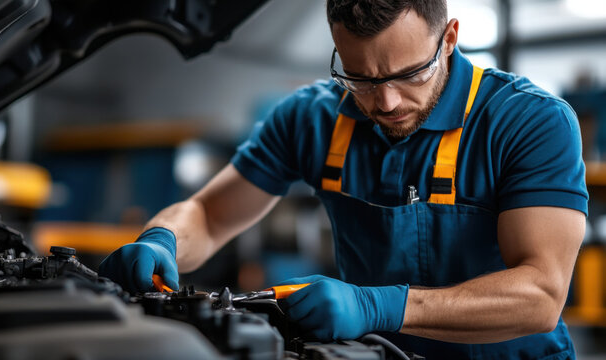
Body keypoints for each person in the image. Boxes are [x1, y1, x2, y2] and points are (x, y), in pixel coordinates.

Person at [99, 1, 587, 358]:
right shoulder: (310, 119)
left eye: (410, 74)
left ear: (451, 38)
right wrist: (164, 238)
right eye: (362, 79)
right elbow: (208, 214)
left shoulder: (529, 121)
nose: (387, 103)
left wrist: (381, 307)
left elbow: (541, 295)